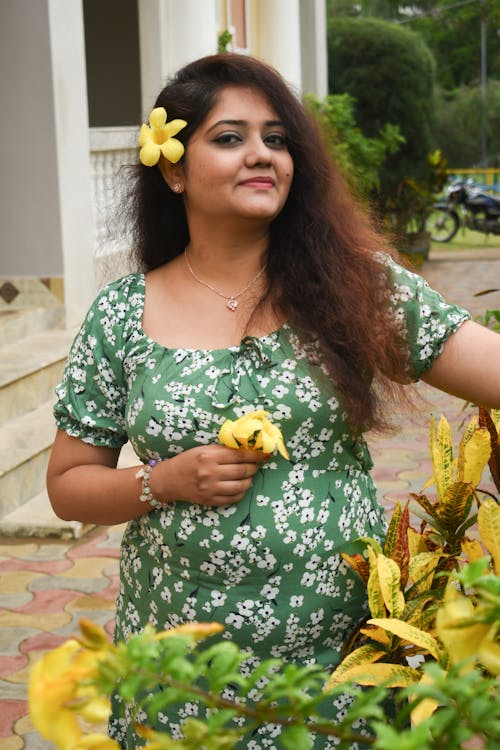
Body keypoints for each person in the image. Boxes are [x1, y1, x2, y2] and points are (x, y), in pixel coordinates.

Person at [46, 53, 500, 749]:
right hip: (183, 672)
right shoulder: (121, 316)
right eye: (229, 137)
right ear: (173, 168)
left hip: (341, 667)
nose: (261, 154)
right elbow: (68, 486)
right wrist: (162, 480)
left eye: (277, 138)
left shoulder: (357, 287)